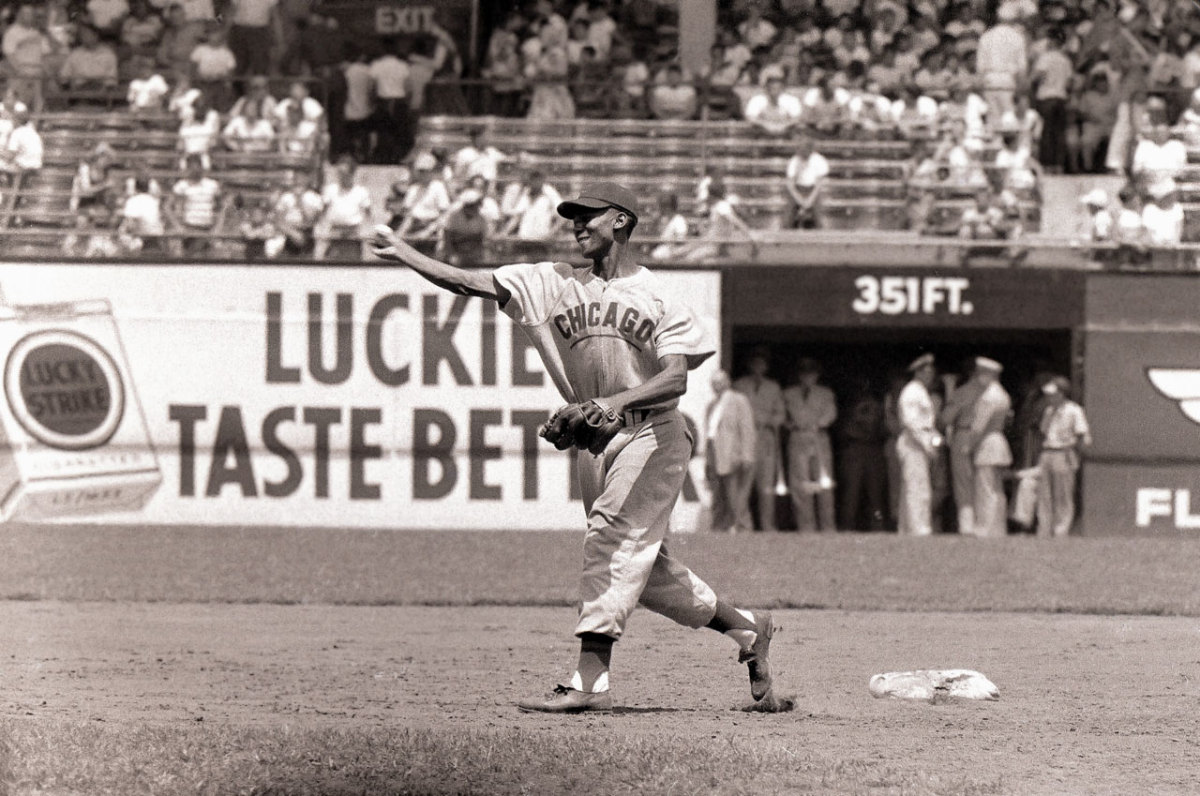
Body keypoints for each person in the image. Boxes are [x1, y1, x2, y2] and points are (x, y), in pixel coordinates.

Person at [368, 180, 778, 713]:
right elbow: (468, 282)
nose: (577, 224)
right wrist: (403, 253)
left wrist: (612, 402)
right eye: (572, 216)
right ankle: (749, 630)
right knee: (643, 571)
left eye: (590, 215)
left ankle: (589, 681)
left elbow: (675, 379)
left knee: (608, 538)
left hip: (653, 432)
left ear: (622, 222)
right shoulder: (552, 282)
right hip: (597, 441)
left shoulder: (657, 296)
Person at [783, 358, 837, 532]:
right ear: (799, 376)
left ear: (817, 375)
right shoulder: (789, 393)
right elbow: (781, 414)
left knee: (823, 483)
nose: (808, 377)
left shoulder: (826, 393)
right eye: (804, 374)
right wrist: (789, 424)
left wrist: (820, 423)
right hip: (798, 437)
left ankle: (828, 527)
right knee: (801, 484)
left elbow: (831, 413)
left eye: (811, 374)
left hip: (818, 437)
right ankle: (806, 528)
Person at [733, 350, 784, 532]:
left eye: (761, 363)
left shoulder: (773, 387)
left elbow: (781, 415)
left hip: (765, 440)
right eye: (755, 363)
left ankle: (767, 525)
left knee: (766, 487)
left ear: (766, 366)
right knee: (743, 486)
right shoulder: (739, 385)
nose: (758, 367)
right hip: (745, 439)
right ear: (749, 364)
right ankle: (743, 525)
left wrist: (767, 420)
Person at [1034, 376, 1091, 538]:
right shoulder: (1049, 411)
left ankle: (1061, 530)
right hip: (1048, 452)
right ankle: (1044, 529)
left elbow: (1082, 434)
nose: (1050, 397)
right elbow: (1044, 432)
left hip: (1064, 452)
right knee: (1044, 493)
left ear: (1062, 393)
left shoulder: (1074, 410)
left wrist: (1074, 452)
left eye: (1053, 394)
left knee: (1063, 494)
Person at [895, 354, 943, 536]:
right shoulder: (912, 391)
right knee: (918, 488)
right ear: (918, 372)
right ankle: (919, 529)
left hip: (919, 442)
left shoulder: (921, 390)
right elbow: (911, 423)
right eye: (926, 371)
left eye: (931, 371)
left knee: (915, 487)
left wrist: (933, 439)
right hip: (913, 444)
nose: (930, 375)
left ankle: (908, 529)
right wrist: (927, 445)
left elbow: (926, 423)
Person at [705, 369, 757, 534]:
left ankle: (744, 528)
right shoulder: (712, 405)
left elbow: (747, 429)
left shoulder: (739, 400)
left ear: (727, 382)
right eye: (714, 383)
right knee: (719, 496)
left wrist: (747, 454)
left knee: (737, 497)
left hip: (734, 454)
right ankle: (720, 528)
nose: (717, 386)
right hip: (715, 453)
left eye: (720, 382)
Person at [837, 381, 887, 531]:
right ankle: (848, 526)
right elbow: (844, 430)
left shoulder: (877, 405)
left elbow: (880, 427)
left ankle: (877, 525)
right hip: (854, 448)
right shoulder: (849, 405)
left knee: (875, 492)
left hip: (873, 449)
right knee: (852, 491)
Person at [784, 134, 828, 230]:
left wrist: (809, 200)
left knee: (818, 217)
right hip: (797, 189)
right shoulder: (794, 162)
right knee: (787, 217)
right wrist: (800, 200)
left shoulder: (819, 160)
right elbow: (790, 185)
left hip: (813, 190)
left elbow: (818, 185)